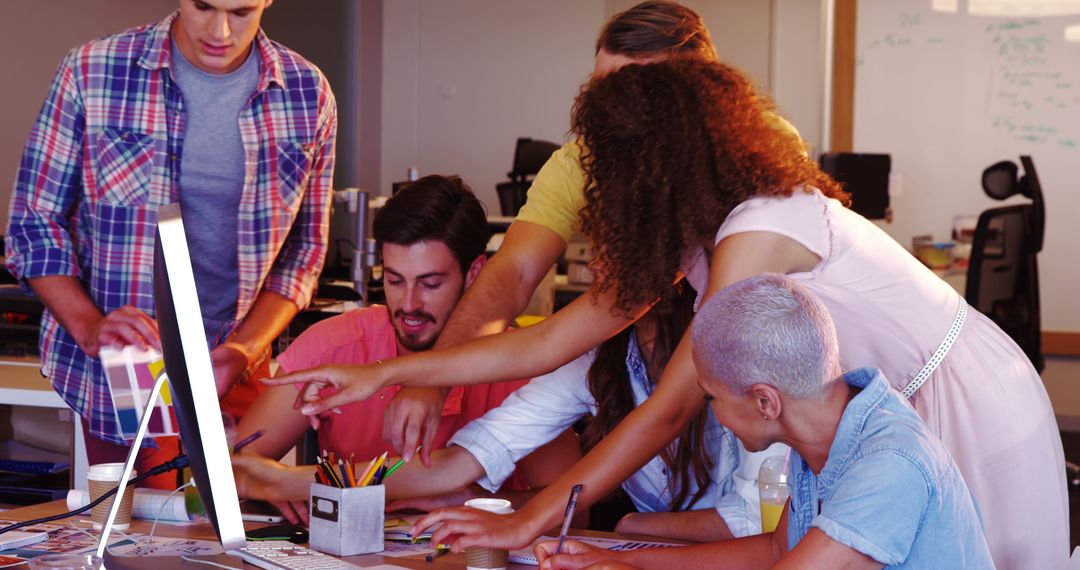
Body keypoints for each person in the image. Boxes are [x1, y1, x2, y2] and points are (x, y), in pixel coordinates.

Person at [276, 59, 1067, 568]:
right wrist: (377, 373)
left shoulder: (757, 230)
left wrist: (533, 524)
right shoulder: (694, 239)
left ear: (650, 169)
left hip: (962, 400)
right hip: (870, 412)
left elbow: (665, 412)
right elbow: (544, 343)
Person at [381, 0, 804, 468]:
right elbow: (517, 276)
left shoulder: (761, 155)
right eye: (600, 90)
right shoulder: (579, 163)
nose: (605, 115)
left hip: (762, 370)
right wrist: (431, 379)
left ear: (695, 93)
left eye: (627, 94)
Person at [4, 0, 337, 487]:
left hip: (238, 359)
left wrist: (245, 349)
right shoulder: (93, 71)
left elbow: (306, 250)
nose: (220, 30)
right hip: (124, 361)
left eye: (241, 12)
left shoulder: (308, 92)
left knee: (231, 529)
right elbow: (33, 223)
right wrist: (89, 326)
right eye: (204, 6)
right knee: (138, 534)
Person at [534, 274, 994, 569]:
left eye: (711, 396)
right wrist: (622, 560)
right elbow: (776, 551)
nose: (710, 412)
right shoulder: (828, 427)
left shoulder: (888, 462)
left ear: (765, 402)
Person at [231, 176, 581, 524]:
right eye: (394, 280)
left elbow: (578, 511)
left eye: (430, 284)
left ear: (475, 273)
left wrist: (476, 502)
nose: (409, 304)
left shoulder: (518, 366)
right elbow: (234, 470)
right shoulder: (332, 344)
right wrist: (272, 491)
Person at [384, 284, 751, 542]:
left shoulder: (738, 356)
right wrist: (344, 485)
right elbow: (476, 451)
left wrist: (636, 525)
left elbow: (755, 523)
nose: (594, 269)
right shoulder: (597, 361)